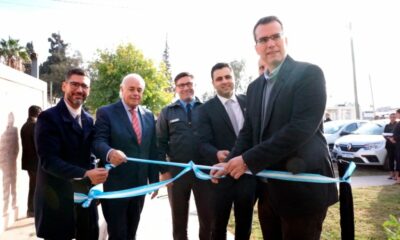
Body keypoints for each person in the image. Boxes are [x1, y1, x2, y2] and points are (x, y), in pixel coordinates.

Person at [211, 16, 338, 240]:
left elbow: (300, 129)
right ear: (256, 47)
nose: (270, 44)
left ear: (285, 39)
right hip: (268, 193)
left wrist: (247, 160)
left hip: (302, 190)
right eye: (264, 39)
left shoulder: (309, 74)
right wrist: (229, 162)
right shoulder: (254, 87)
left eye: (275, 36)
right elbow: (248, 132)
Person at [34, 68, 109, 240]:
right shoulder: (48, 118)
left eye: (84, 86)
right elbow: (49, 161)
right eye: (74, 84)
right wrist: (84, 173)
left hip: (85, 201)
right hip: (57, 200)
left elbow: (89, 155)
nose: (80, 90)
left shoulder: (89, 120)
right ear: (64, 86)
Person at [92, 73, 159, 240]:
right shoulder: (106, 112)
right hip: (115, 186)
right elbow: (98, 141)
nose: (136, 93)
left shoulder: (149, 115)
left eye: (139, 90)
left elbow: (152, 149)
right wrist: (110, 152)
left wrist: (154, 180)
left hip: (139, 187)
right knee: (117, 234)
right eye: (131, 89)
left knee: (131, 232)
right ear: (121, 90)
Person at [196, 63, 256, 240]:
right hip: (220, 178)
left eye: (228, 77)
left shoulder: (249, 102)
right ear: (213, 83)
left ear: (234, 78)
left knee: (245, 225)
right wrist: (215, 154)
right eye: (219, 78)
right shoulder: (204, 110)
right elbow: (201, 143)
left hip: (247, 173)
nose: (224, 81)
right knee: (218, 226)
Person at [157, 72, 212, 240]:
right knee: (179, 219)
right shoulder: (167, 112)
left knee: (208, 218)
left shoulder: (207, 108)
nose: (186, 87)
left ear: (194, 85)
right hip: (177, 172)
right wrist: (164, 171)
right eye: (181, 85)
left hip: (204, 172)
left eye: (189, 83)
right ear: (176, 89)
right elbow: (159, 142)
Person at [20, 105, 42, 217]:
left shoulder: (25, 126)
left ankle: (32, 210)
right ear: (37, 113)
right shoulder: (34, 126)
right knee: (35, 186)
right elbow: (38, 146)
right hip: (35, 162)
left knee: (33, 185)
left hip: (29, 162)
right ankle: (32, 210)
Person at [384, 113, 397, 180]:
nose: (392, 118)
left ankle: (396, 175)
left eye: (394, 117)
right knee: (390, 159)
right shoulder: (387, 126)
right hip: (389, 145)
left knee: (397, 160)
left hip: (396, 145)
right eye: (391, 117)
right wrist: (388, 138)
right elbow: (384, 134)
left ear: (396, 117)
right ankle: (391, 174)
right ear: (389, 117)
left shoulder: (397, 125)